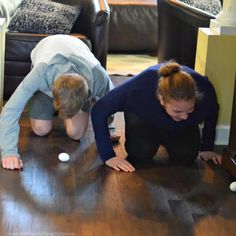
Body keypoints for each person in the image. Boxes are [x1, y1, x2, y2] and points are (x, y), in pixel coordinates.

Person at [0, 34, 114, 170]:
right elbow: (11, 109)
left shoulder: (98, 77)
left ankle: (71, 111)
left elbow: (111, 103)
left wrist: (109, 129)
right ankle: (44, 103)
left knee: (75, 134)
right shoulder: (39, 74)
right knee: (41, 130)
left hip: (76, 53)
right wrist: (9, 153)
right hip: (46, 58)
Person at [91, 61, 222, 172]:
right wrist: (108, 155)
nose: (185, 116)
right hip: (144, 117)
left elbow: (212, 111)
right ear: (162, 100)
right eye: (177, 111)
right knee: (140, 152)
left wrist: (206, 148)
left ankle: (166, 136)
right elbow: (99, 110)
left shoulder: (205, 90)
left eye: (190, 110)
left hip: (177, 127)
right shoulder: (138, 89)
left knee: (186, 155)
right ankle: (155, 137)